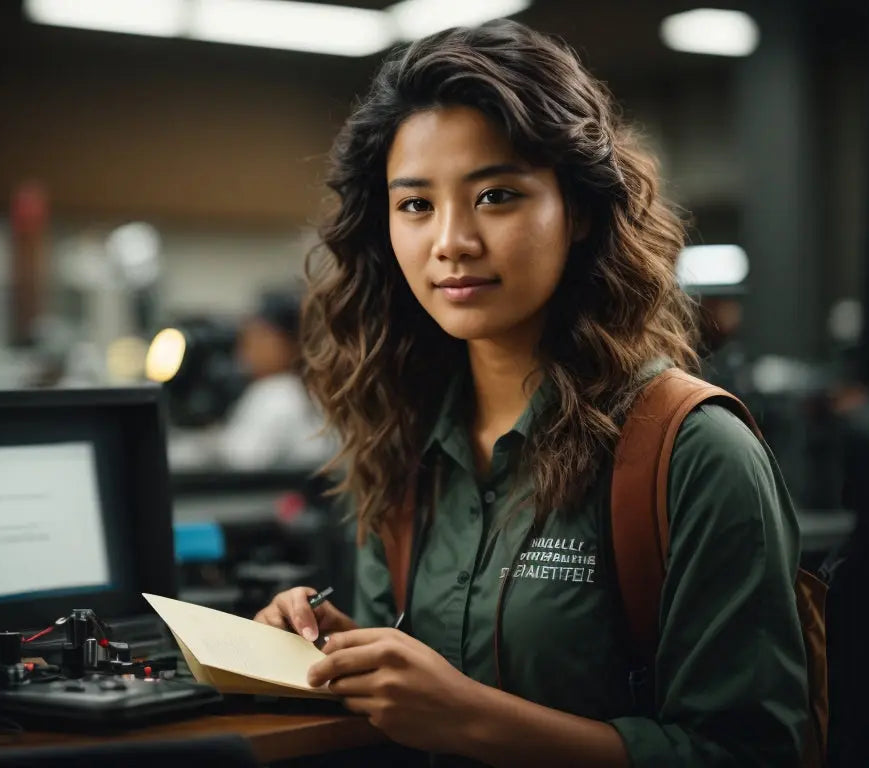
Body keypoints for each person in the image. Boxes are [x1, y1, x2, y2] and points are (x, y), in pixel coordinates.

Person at [254, 20, 809, 767]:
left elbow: (752, 754)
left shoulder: (695, 452)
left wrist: (468, 716)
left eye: (496, 195)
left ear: (577, 210)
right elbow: (411, 701)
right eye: (415, 205)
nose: (450, 240)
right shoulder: (407, 440)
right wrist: (335, 648)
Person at [217, 288, 335, 470]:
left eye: (259, 337)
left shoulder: (275, 394)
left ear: (292, 341)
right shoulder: (317, 389)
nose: (247, 349)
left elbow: (242, 464)